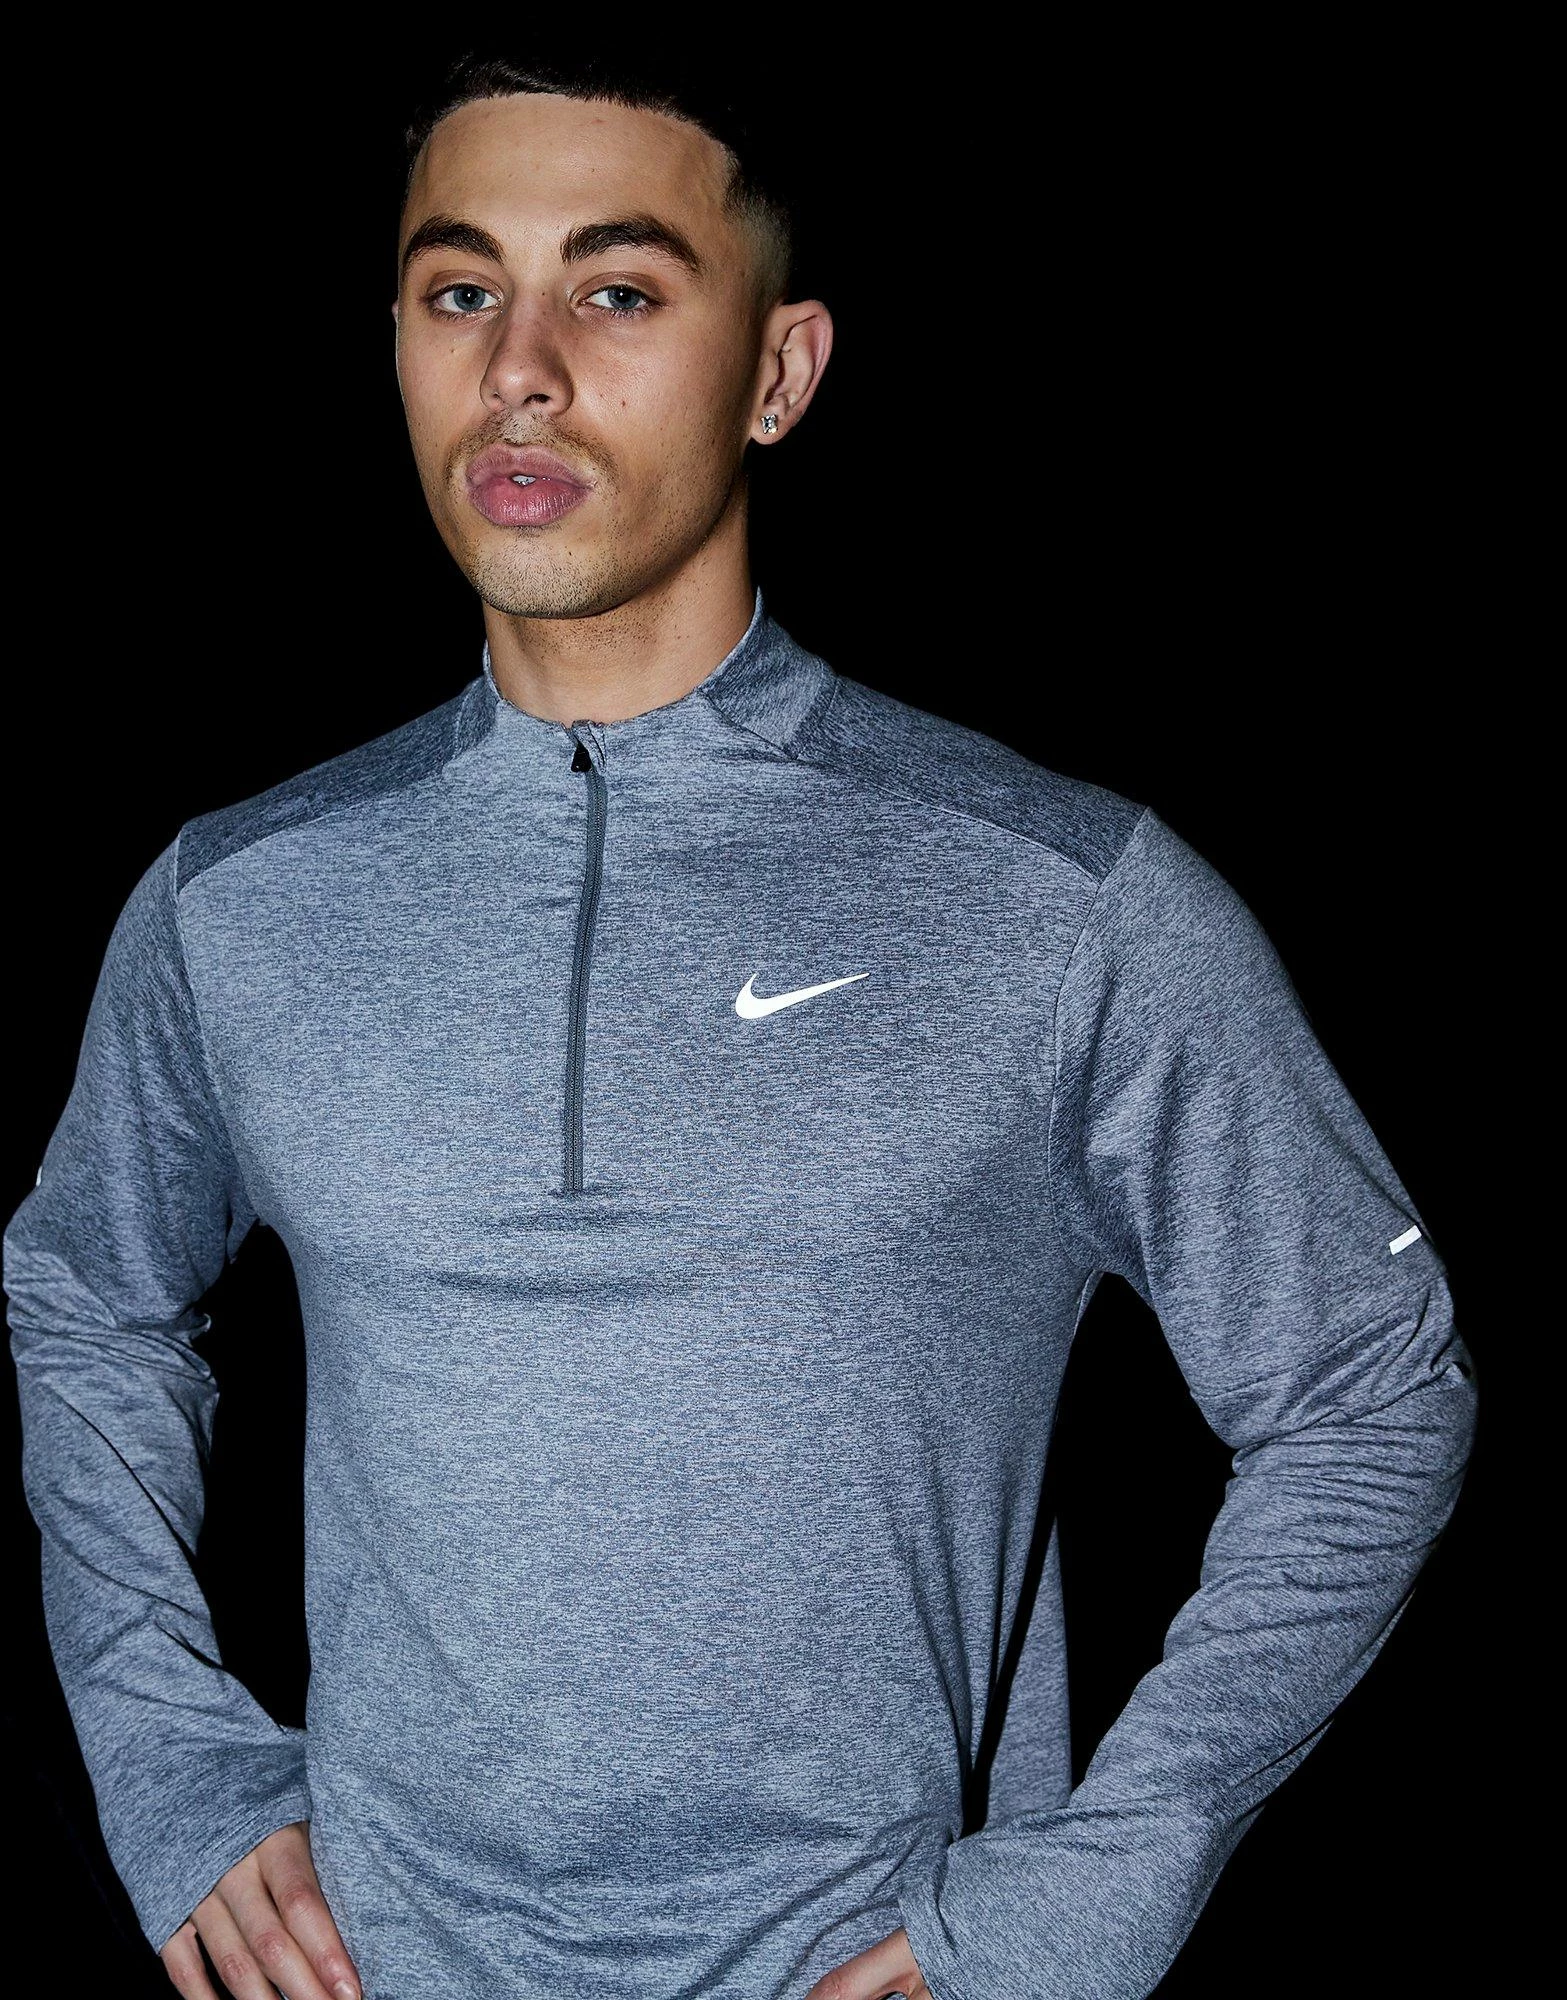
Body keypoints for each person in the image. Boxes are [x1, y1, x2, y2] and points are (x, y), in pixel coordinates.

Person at [4, 52, 1477, 2000]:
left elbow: (1367, 1387)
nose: (520, 370)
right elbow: (88, 1296)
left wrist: (1093, 1888)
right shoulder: (237, 903)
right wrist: (173, 1762)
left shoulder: (1059, 899)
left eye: (616, 291)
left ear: (779, 372)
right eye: (460, 291)